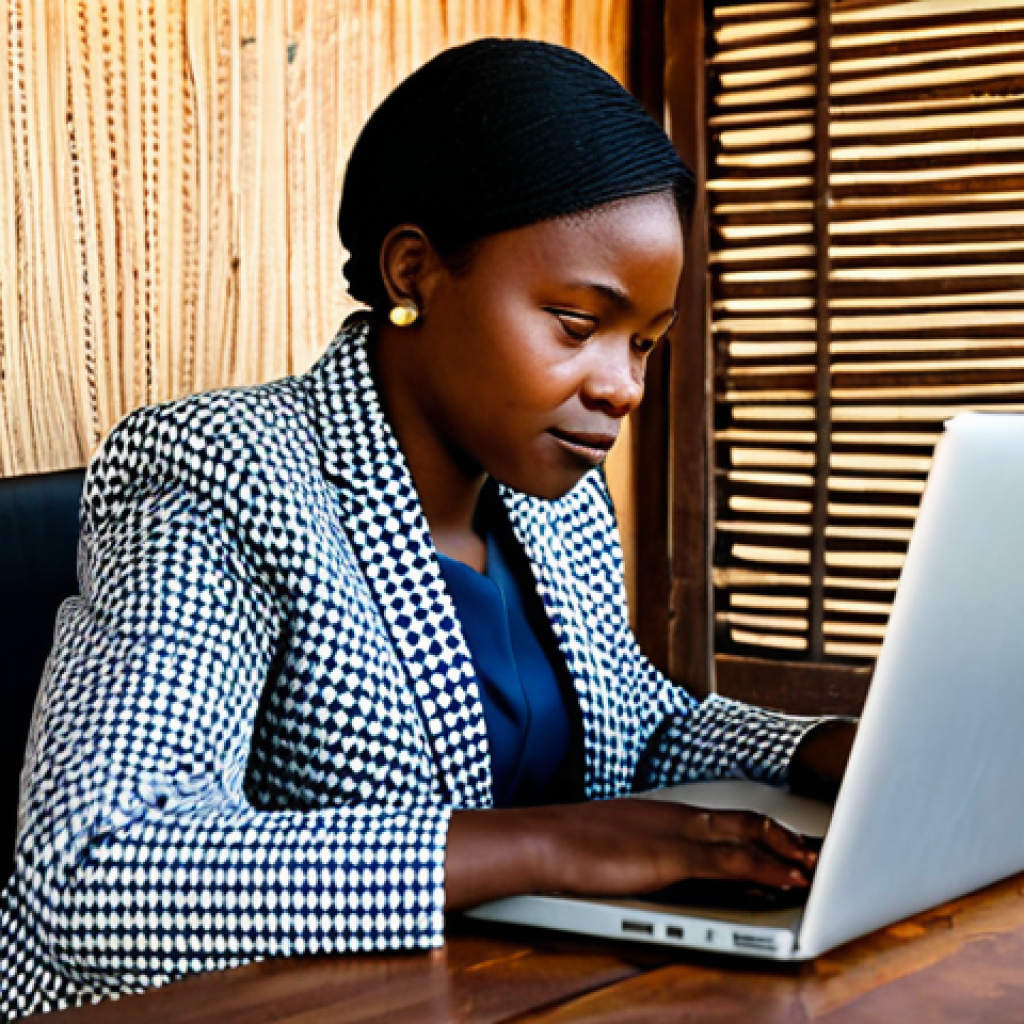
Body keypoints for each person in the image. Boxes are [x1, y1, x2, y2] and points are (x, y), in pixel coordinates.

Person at [0, 39, 854, 1019]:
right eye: (577, 324)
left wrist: (822, 751)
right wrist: (554, 844)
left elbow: (635, 729)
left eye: (645, 344)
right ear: (414, 272)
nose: (622, 387)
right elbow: (99, 870)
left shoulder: (557, 495)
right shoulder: (217, 473)